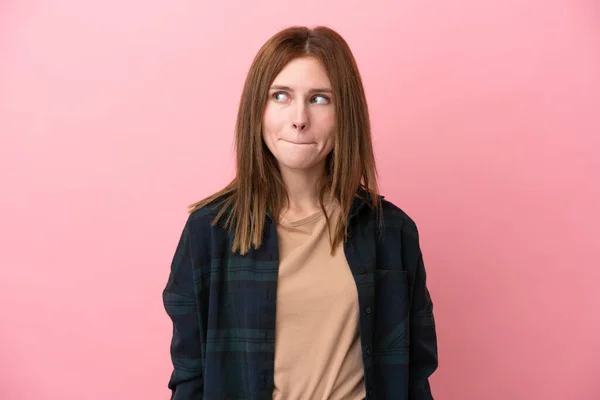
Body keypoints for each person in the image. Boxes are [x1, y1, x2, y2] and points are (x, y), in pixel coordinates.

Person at [162, 25, 438, 400]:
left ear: (346, 113)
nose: (299, 118)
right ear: (257, 109)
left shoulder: (391, 233)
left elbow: (415, 375)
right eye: (281, 96)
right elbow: (190, 377)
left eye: (320, 99)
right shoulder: (209, 232)